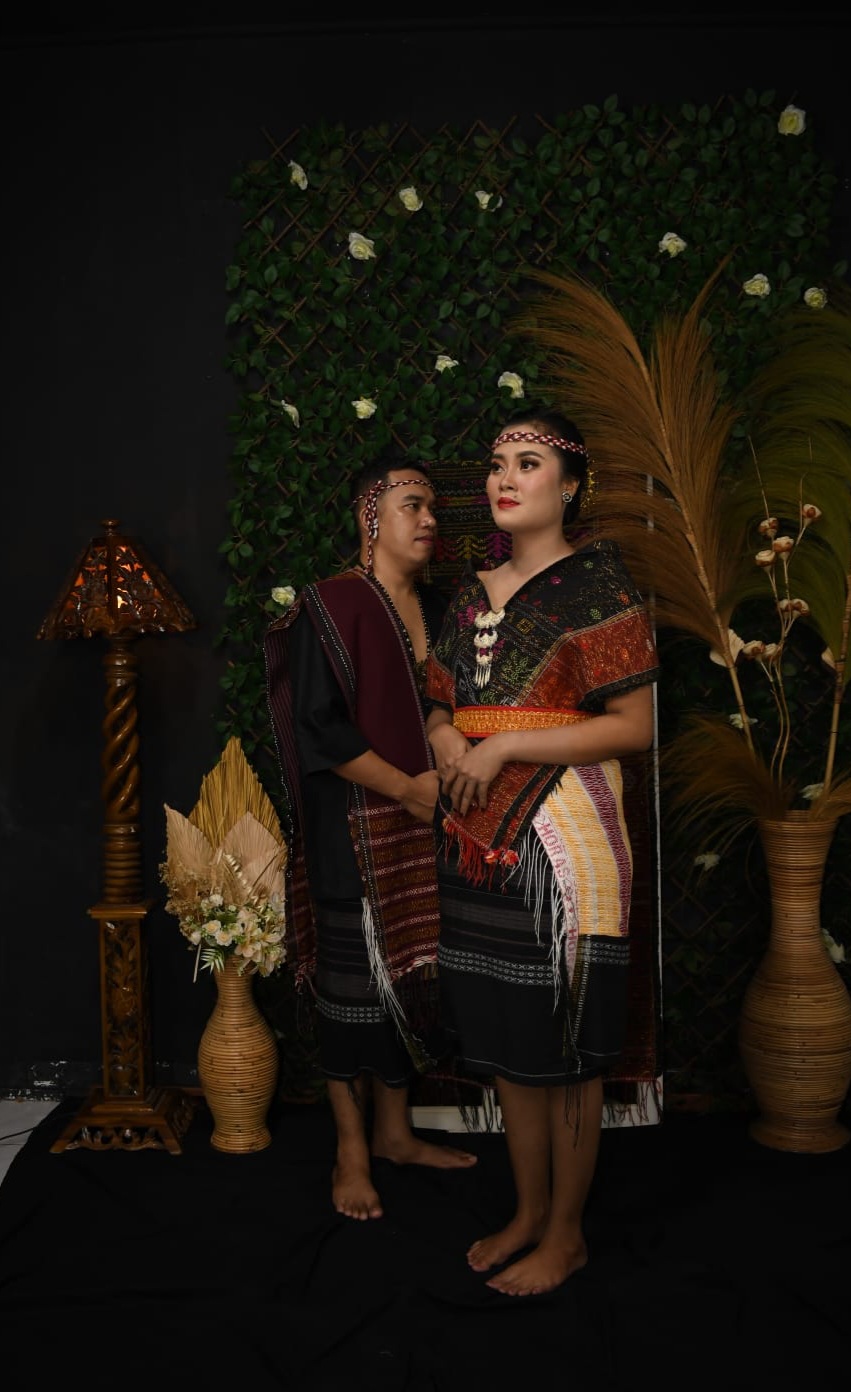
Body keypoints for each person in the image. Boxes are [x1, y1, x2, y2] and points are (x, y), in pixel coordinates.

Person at [425, 407, 659, 1295]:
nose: (505, 478)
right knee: (507, 1036)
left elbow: (631, 726)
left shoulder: (598, 585)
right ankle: (527, 1212)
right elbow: (440, 702)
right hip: (475, 836)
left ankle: (566, 1234)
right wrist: (447, 740)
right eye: (497, 463)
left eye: (527, 462)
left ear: (569, 486)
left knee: (565, 1044)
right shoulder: (469, 592)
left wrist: (504, 747)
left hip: (565, 836)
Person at [264, 453, 477, 1221]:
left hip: (430, 831)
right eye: (412, 505)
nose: (429, 521)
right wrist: (409, 790)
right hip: (352, 828)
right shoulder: (331, 606)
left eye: (432, 509)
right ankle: (351, 1150)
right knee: (350, 991)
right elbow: (318, 728)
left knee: (409, 980)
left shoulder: (447, 608)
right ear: (369, 516)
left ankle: (395, 1132)